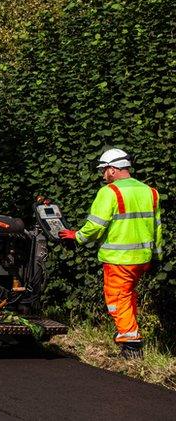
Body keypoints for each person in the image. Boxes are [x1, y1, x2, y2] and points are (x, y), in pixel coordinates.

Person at [58, 148, 163, 360]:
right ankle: (130, 334)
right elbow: (157, 227)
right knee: (128, 296)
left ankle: (131, 346)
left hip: (119, 260)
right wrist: (156, 256)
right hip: (142, 258)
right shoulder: (150, 192)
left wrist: (76, 236)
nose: (103, 175)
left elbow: (95, 226)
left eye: (104, 170)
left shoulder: (110, 192)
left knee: (117, 300)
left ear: (113, 170)